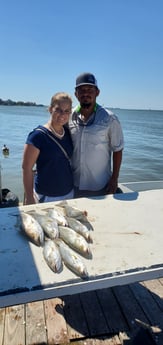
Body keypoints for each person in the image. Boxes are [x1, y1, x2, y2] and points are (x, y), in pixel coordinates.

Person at [69, 72, 124, 198]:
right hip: (73, 183)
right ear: (76, 94)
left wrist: (114, 179)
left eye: (90, 89)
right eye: (81, 90)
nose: (85, 93)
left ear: (97, 92)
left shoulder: (109, 118)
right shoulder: (69, 116)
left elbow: (118, 149)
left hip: (99, 186)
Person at [22, 92, 74, 205]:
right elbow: (27, 168)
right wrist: (29, 197)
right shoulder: (38, 136)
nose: (62, 114)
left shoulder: (68, 133)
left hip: (69, 193)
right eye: (58, 110)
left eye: (67, 111)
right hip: (46, 196)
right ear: (50, 109)